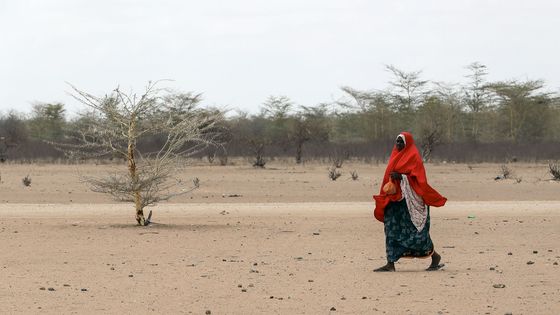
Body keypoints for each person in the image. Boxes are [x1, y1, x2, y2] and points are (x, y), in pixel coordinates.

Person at [373, 132, 447, 272]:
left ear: (407, 143)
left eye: (401, 142)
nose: (399, 145)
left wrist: (402, 176)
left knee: (415, 233)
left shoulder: (413, 156)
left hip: (409, 202)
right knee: (391, 229)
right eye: (397, 142)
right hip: (394, 200)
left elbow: (419, 179)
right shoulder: (395, 155)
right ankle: (390, 263)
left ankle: (434, 257)